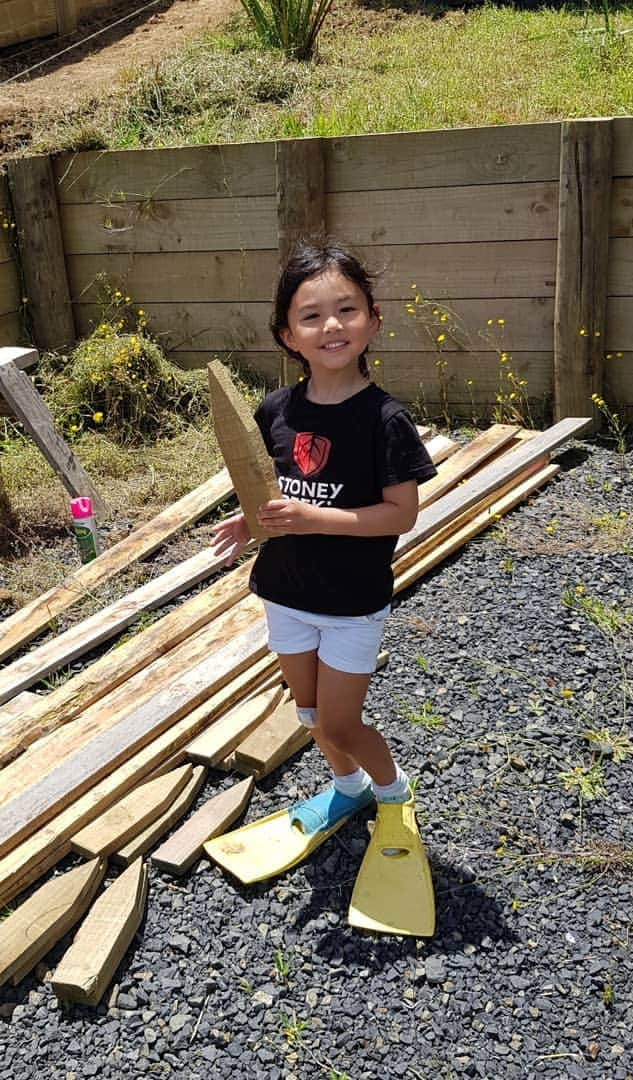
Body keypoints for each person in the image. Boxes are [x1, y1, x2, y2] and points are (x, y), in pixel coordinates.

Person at [210, 240, 437, 818]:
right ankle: (348, 788)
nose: (331, 325)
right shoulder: (275, 412)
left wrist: (312, 519)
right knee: (309, 714)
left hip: (351, 602)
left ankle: (392, 794)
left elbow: (400, 515)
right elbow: (278, 489)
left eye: (347, 309)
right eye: (311, 315)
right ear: (288, 335)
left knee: (340, 721)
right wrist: (250, 518)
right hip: (285, 591)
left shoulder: (385, 420)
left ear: (372, 320)